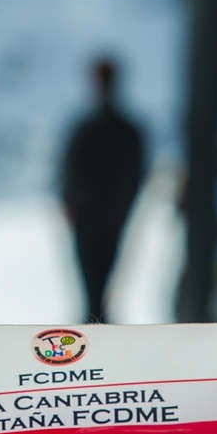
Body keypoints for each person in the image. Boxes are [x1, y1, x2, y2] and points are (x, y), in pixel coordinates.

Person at [58, 54, 147, 323]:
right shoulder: (122, 130)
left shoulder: (94, 129)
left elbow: (67, 175)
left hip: (101, 219)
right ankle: (96, 338)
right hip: (103, 219)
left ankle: (93, 341)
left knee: (96, 290)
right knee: (96, 290)